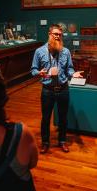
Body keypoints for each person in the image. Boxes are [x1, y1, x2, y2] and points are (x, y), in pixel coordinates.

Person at [31, 24, 83, 154]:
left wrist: (73, 74)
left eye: (60, 35)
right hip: (47, 89)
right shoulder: (39, 51)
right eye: (55, 34)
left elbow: (69, 68)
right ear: (49, 34)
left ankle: (62, 141)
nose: (58, 36)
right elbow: (33, 70)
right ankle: (45, 142)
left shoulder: (65, 51)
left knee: (63, 117)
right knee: (46, 117)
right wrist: (39, 73)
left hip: (63, 89)